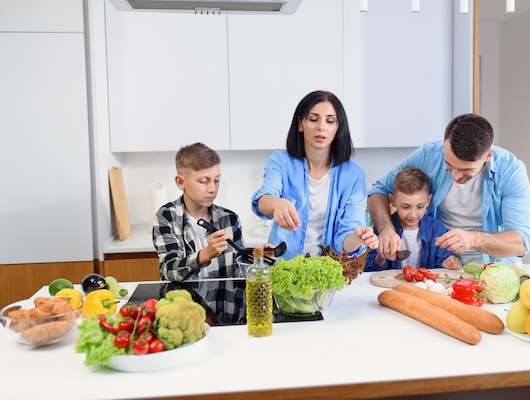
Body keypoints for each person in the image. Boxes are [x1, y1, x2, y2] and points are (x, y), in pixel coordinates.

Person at [367, 113, 530, 265]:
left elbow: (521, 241)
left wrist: (473, 239)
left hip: (494, 271)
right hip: (439, 267)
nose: (455, 176)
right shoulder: (429, 155)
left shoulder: (511, 171)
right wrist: (386, 229)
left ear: (488, 156)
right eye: (449, 165)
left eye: (466, 170)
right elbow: (378, 192)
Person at [251, 90, 379, 260]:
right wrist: (276, 203)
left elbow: (346, 238)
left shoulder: (353, 175)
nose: (321, 127)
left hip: (327, 272)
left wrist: (357, 237)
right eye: (313, 119)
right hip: (283, 267)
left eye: (330, 121)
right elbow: (263, 200)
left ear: (338, 127)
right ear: (300, 124)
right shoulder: (281, 161)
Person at [153, 142, 245, 322]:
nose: (212, 188)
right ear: (180, 182)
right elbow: (169, 271)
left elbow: (238, 275)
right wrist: (205, 254)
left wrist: (257, 259)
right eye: (204, 181)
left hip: (227, 317)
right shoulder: (167, 217)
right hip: (185, 318)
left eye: (217, 180)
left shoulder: (230, 219)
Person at [364, 166, 462, 271]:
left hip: (424, 286)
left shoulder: (436, 229)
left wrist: (448, 262)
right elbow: (369, 270)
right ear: (392, 200)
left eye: (420, 207)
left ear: (428, 201)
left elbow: (443, 260)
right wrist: (381, 256)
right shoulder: (383, 230)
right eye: (405, 207)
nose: (413, 215)